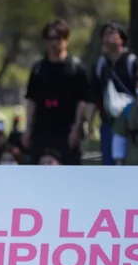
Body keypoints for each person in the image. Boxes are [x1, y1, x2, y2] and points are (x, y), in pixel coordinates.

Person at [22, 19, 90, 165]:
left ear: (66, 39)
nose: (54, 43)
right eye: (50, 38)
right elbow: (31, 100)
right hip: (41, 129)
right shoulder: (38, 68)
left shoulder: (76, 67)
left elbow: (82, 102)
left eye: (58, 38)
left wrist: (77, 128)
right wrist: (28, 128)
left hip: (66, 130)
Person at [88, 21, 138, 165]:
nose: (108, 37)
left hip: (131, 122)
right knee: (109, 163)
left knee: (132, 161)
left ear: (121, 38)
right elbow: (94, 97)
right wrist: (90, 124)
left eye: (112, 32)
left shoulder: (132, 62)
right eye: (105, 34)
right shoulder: (100, 65)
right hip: (109, 123)